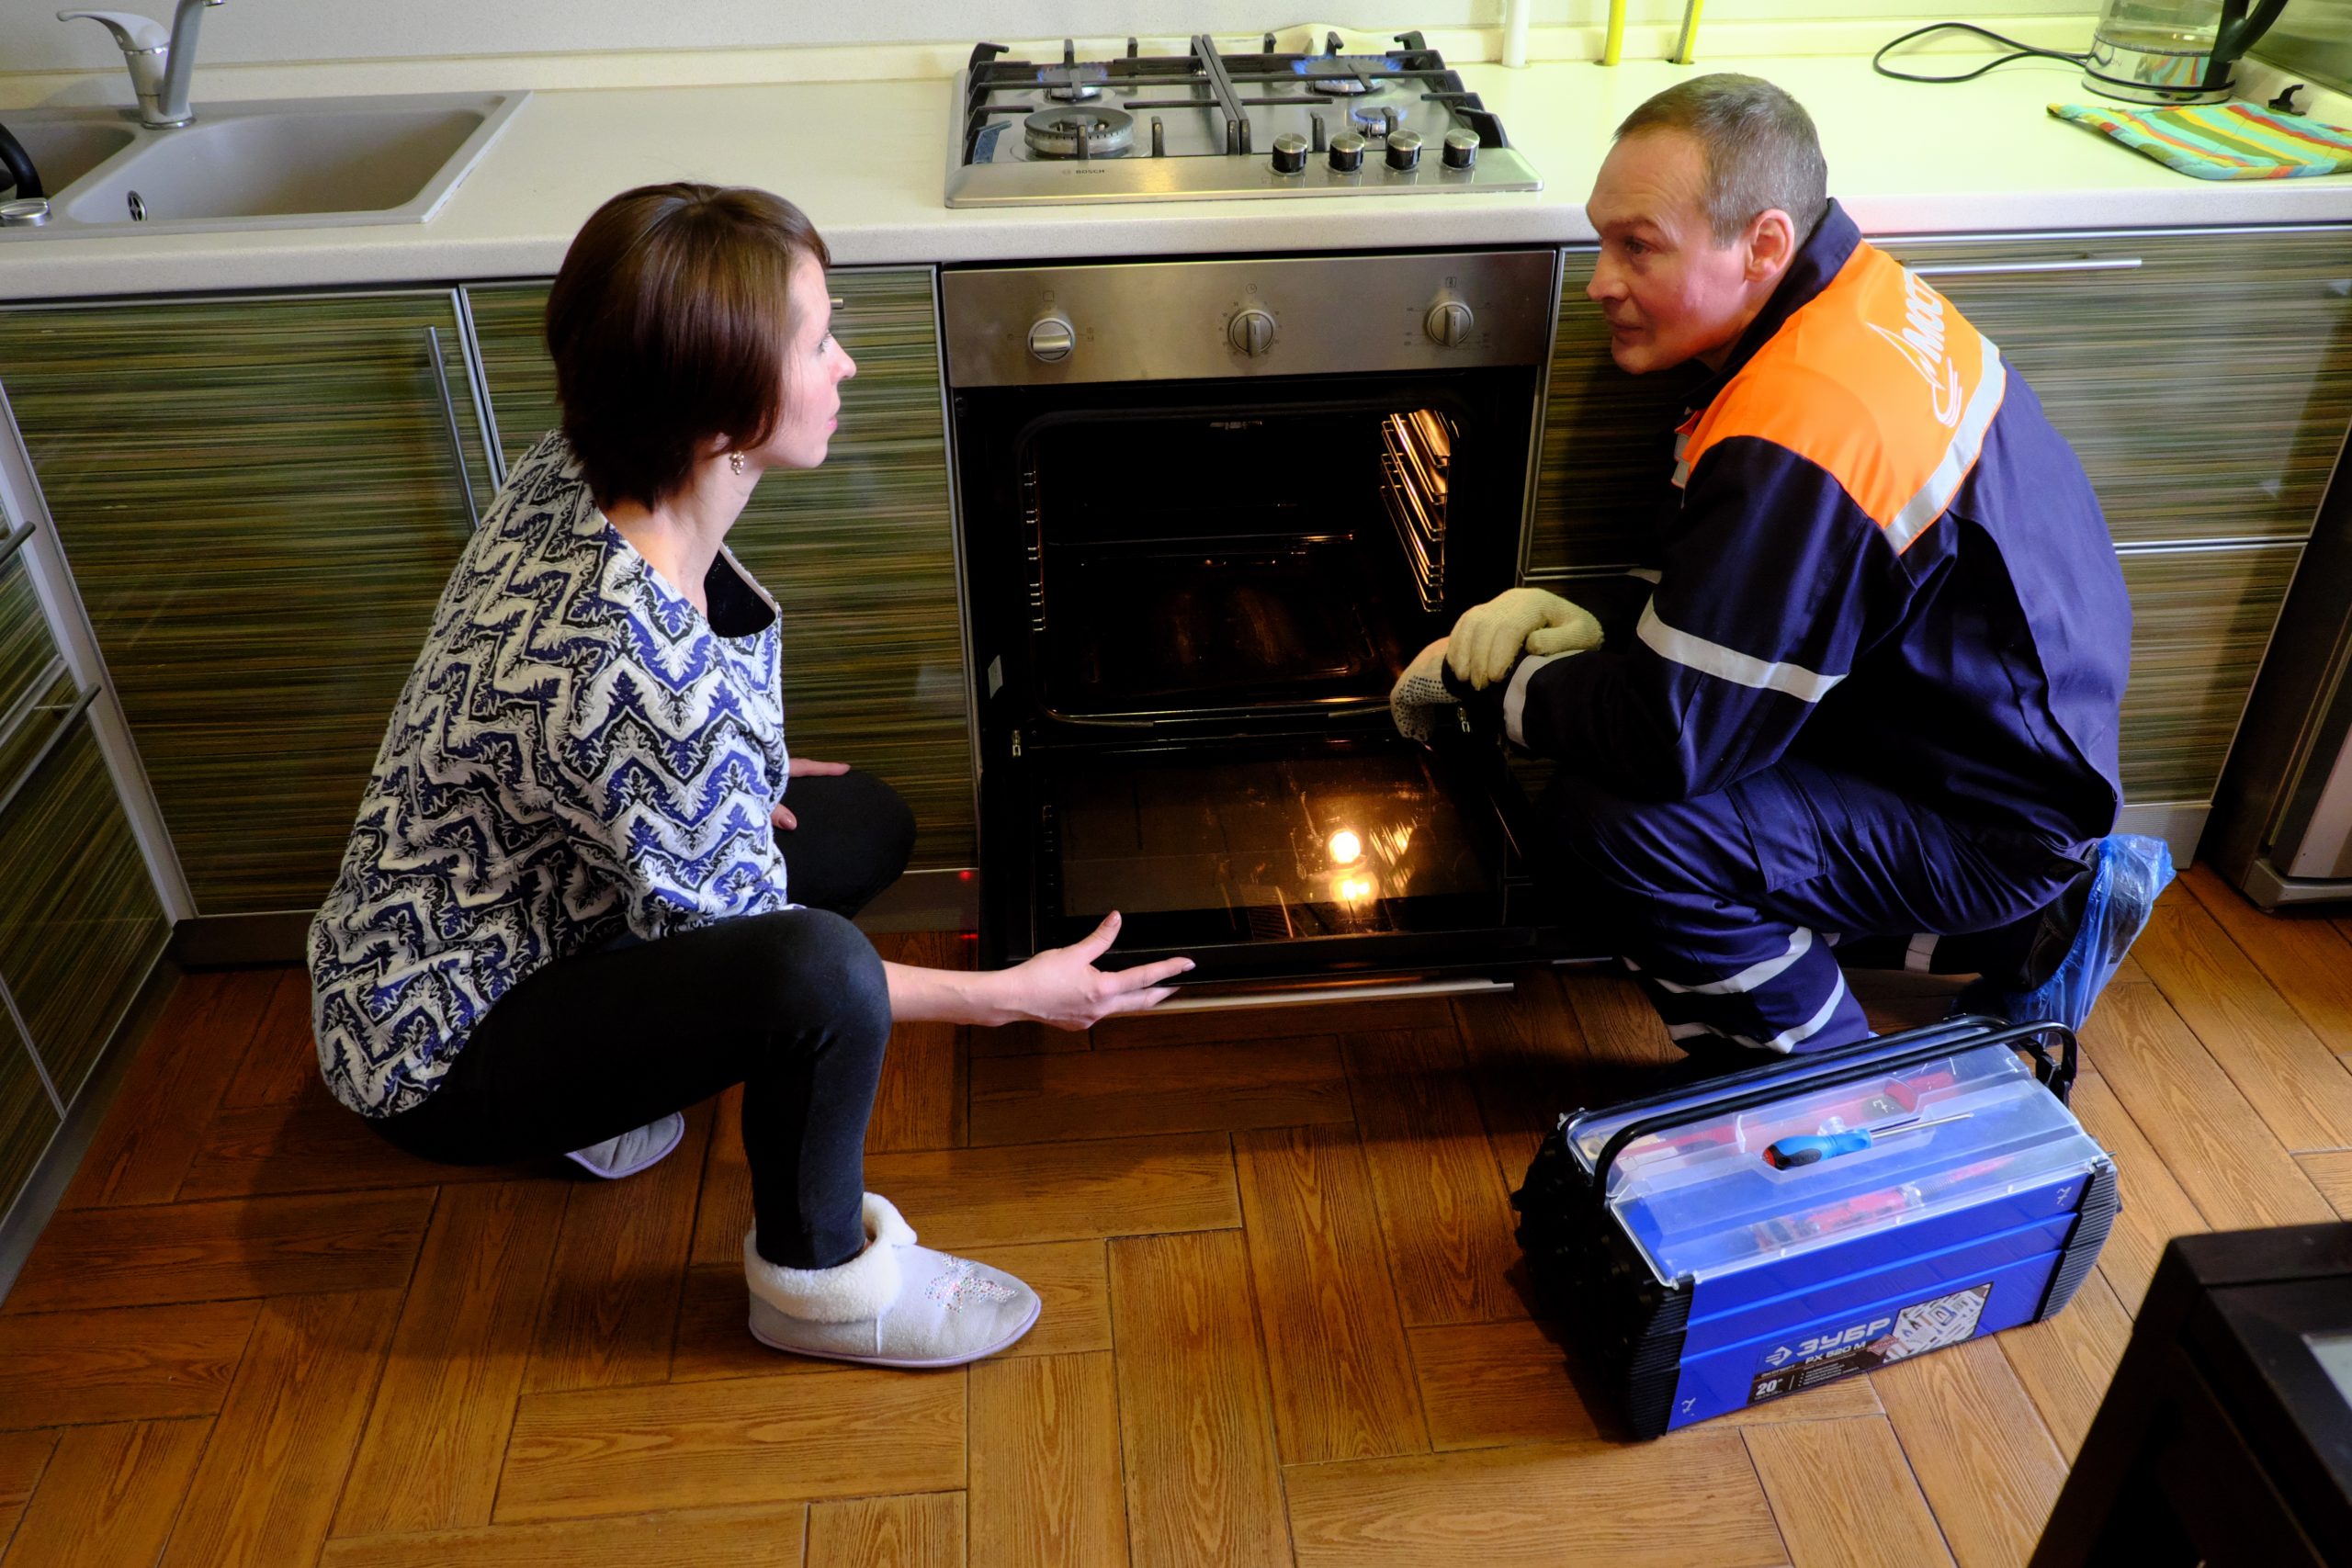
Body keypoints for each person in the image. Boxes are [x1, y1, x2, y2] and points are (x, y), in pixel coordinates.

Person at [309, 183, 1191, 1371]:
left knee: (862, 824)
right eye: (817, 341)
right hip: (431, 1040)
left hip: (489, 911)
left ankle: (612, 1092)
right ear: (720, 407)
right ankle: (822, 1283)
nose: (848, 366)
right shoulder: (635, 680)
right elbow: (780, 954)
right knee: (823, 973)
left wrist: (739, 767)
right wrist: (1013, 992)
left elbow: (575, 738)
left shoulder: (576, 468)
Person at [1392, 74, 2171, 1062]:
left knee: (1616, 830)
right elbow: (1747, 594)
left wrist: (1500, 692)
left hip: (1988, 816)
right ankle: (2048, 927)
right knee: (1669, 785)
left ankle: (1818, 1092)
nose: (1599, 281)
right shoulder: (1849, 297)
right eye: (1601, 238)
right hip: (2000, 737)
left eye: (1638, 246)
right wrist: (1594, 627)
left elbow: (1676, 742)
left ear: (1761, 243)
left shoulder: (1803, 427)